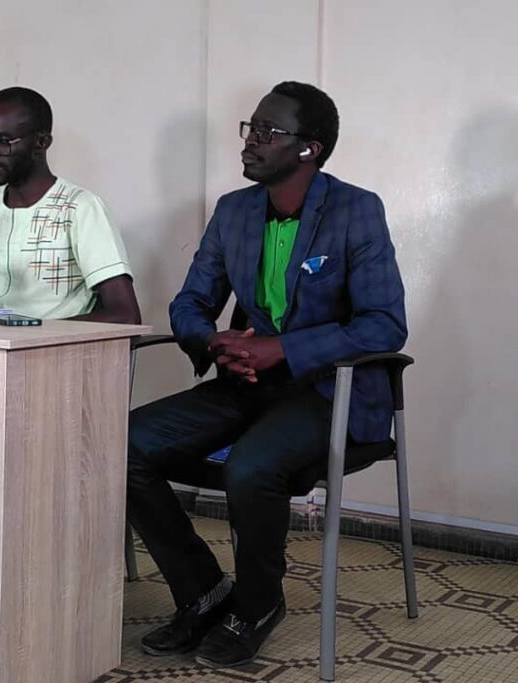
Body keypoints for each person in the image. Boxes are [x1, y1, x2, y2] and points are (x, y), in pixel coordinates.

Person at [127, 82, 407, 668]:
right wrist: (214, 341)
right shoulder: (235, 211)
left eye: (267, 131)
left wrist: (283, 349)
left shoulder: (356, 210)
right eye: (250, 128)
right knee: (122, 445)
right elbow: (190, 302)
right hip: (247, 384)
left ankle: (257, 604)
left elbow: (384, 325)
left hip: (327, 390)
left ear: (309, 148)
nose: (250, 141)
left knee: (251, 467)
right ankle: (203, 591)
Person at [0, 87, 141, 324]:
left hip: (54, 345)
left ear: (41, 143)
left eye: (3, 142)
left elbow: (125, 316)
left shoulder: (80, 209)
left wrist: (35, 333)